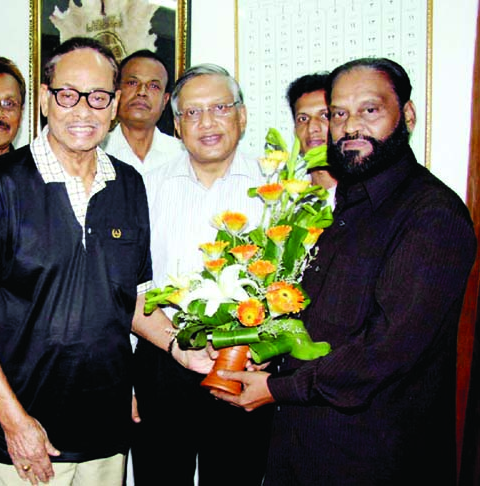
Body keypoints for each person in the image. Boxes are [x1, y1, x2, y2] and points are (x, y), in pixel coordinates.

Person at [0, 37, 213, 486]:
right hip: (27, 436)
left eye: (99, 97)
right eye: (68, 94)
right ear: (47, 101)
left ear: (113, 107)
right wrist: (14, 423)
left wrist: (178, 347)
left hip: (106, 431)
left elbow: (134, 298)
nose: (83, 110)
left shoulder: (128, 185)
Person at [215, 58, 476, 485]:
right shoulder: (344, 207)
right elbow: (321, 323)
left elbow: (386, 349)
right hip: (300, 445)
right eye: (339, 113)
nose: (351, 127)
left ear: (406, 116)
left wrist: (277, 389)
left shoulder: (432, 215)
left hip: (374, 457)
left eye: (369, 110)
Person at [131, 64, 272, 486]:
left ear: (242, 116)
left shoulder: (278, 187)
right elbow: (121, 286)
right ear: (176, 124)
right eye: (192, 113)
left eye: (219, 108)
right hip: (162, 356)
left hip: (245, 363)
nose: (206, 122)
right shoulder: (141, 188)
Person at [101, 49, 184, 175]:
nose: (141, 92)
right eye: (133, 83)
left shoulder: (182, 155)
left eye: (153, 86)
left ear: (165, 100)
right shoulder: (97, 151)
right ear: (116, 93)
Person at [286, 72, 338, 201]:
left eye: (325, 115)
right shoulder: (287, 198)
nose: (312, 128)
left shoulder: (363, 195)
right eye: (303, 119)